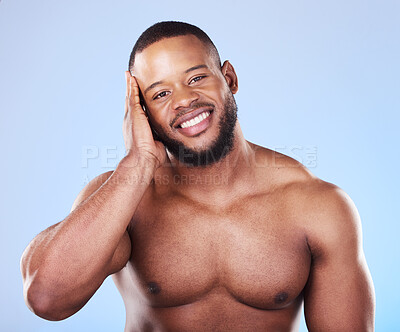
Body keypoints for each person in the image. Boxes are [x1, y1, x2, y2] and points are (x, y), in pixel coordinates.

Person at [21, 21, 375, 331]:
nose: (184, 100)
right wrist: (138, 163)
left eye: (197, 78)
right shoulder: (126, 198)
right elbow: (46, 298)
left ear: (229, 79)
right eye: (160, 93)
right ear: (141, 112)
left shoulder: (317, 206)